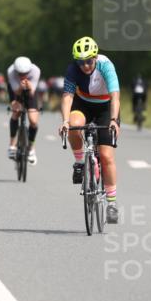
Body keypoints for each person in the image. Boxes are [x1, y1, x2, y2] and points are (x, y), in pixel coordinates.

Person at [57, 36, 121, 224]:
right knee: (73, 125)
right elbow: (68, 97)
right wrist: (65, 121)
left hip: (105, 107)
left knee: (106, 156)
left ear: (95, 57)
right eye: (81, 62)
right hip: (83, 103)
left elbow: (115, 96)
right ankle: (79, 163)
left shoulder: (106, 66)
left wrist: (114, 120)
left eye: (88, 61)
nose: (85, 65)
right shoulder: (72, 69)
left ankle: (111, 203)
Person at [7, 56, 41, 165]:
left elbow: (31, 94)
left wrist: (29, 86)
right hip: (15, 90)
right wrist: (20, 88)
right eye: (20, 74)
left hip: (31, 90)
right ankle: (12, 145)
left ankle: (31, 148)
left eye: (26, 73)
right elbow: (16, 92)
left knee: (33, 121)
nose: (23, 76)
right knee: (16, 112)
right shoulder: (11, 71)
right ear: (16, 71)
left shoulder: (35, 71)